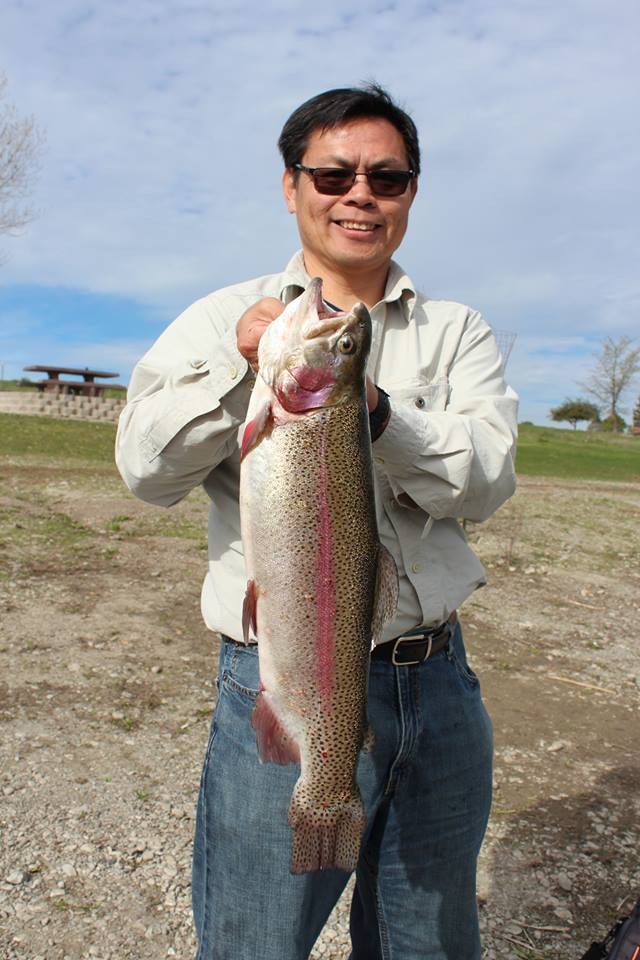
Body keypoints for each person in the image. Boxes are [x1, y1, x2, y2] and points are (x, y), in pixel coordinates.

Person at [116, 83, 518, 960]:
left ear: (412, 191)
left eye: (388, 176)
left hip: (438, 685)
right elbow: (145, 470)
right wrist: (239, 369)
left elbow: (486, 480)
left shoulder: (458, 332)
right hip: (281, 677)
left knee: (431, 941)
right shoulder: (223, 318)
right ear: (292, 185)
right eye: (333, 174)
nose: (359, 194)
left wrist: (374, 411)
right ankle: (319, 800)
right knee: (255, 941)